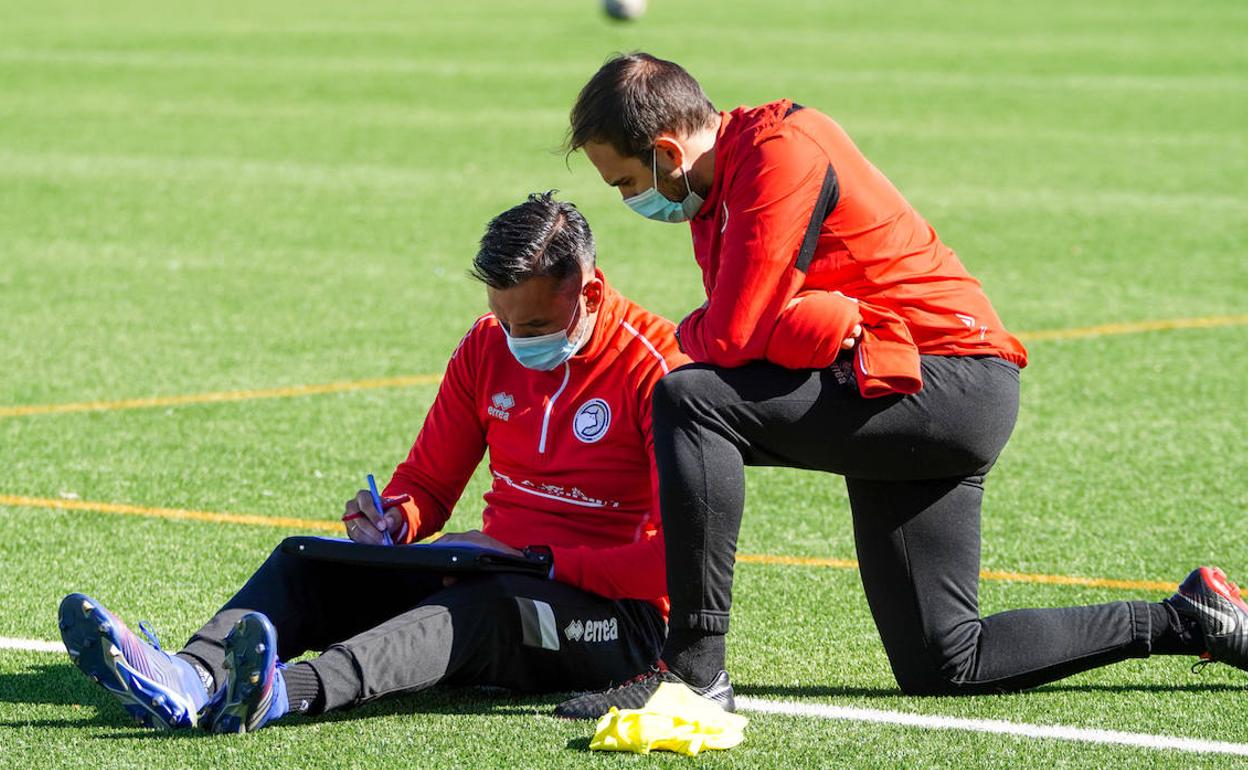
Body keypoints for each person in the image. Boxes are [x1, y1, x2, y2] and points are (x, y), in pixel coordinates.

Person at [552, 53, 1247, 718]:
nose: (628, 199)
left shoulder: (779, 148)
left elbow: (731, 335)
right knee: (947, 664)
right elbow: (753, 330)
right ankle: (1190, 618)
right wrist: (797, 324)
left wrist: (719, 328)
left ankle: (693, 671)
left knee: (689, 399)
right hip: (896, 383)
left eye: (624, 182)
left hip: (948, 385)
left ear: (668, 153)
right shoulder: (719, 184)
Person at [57, 192, 690, 733]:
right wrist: (396, 518)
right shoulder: (484, 345)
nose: (517, 340)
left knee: (486, 603)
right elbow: (429, 483)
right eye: (504, 322)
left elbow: (673, 564)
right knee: (309, 559)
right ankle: (189, 676)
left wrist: (537, 562)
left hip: (616, 618)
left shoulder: (659, 372)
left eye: (534, 325)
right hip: (489, 566)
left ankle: (281, 693)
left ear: (591, 290)